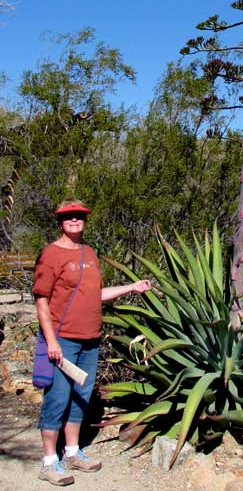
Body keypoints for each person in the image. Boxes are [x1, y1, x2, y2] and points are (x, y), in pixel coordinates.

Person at [33, 199, 151, 486]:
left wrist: (131, 288)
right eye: (68, 217)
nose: (74, 220)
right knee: (58, 398)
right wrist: (51, 341)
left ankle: (73, 452)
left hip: (90, 339)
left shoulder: (90, 253)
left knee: (80, 397)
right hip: (63, 339)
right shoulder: (50, 254)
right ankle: (50, 461)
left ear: (85, 221)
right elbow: (42, 300)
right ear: (60, 222)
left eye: (79, 216)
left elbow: (95, 294)